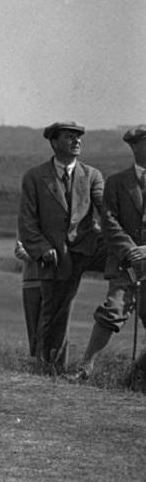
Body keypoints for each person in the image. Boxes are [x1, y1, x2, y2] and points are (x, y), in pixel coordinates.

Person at [18, 121, 105, 374]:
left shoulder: (92, 175)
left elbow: (106, 211)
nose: (77, 141)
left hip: (89, 248)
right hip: (56, 256)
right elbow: (27, 222)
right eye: (69, 137)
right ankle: (49, 372)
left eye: (79, 137)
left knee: (127, 260)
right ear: (54, 142)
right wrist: (43, 248)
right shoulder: (34, 177)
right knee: (54, 316)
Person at [73, 126, 146, 380]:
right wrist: (130, 251)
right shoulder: (116, 183)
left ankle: (137, 376)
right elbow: (109, 222)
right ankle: (85, 368)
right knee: (112, 310)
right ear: (134, 147)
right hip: (125, 264)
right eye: (144, 143)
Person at [14, 238, 43, 359]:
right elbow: (19, 250)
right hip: (31, 280)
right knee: (33, 327)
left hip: (54, 281)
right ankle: (36, 360)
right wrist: (42, 255)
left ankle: (47, 362)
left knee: (49, 327)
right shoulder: (26, 220)